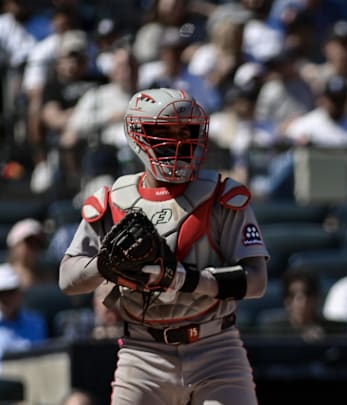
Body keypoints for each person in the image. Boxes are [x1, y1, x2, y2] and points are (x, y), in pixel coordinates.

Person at [58, 88, 269, 404]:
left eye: (187, 131)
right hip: (142, 354)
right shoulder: (113, 200)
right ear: (138, 135)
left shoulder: (222, 195)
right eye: (165, 133)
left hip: (215, 346)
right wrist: (106, 265)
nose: (179, 142)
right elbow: (67, 279)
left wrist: (184, 278)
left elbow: (257, 281)